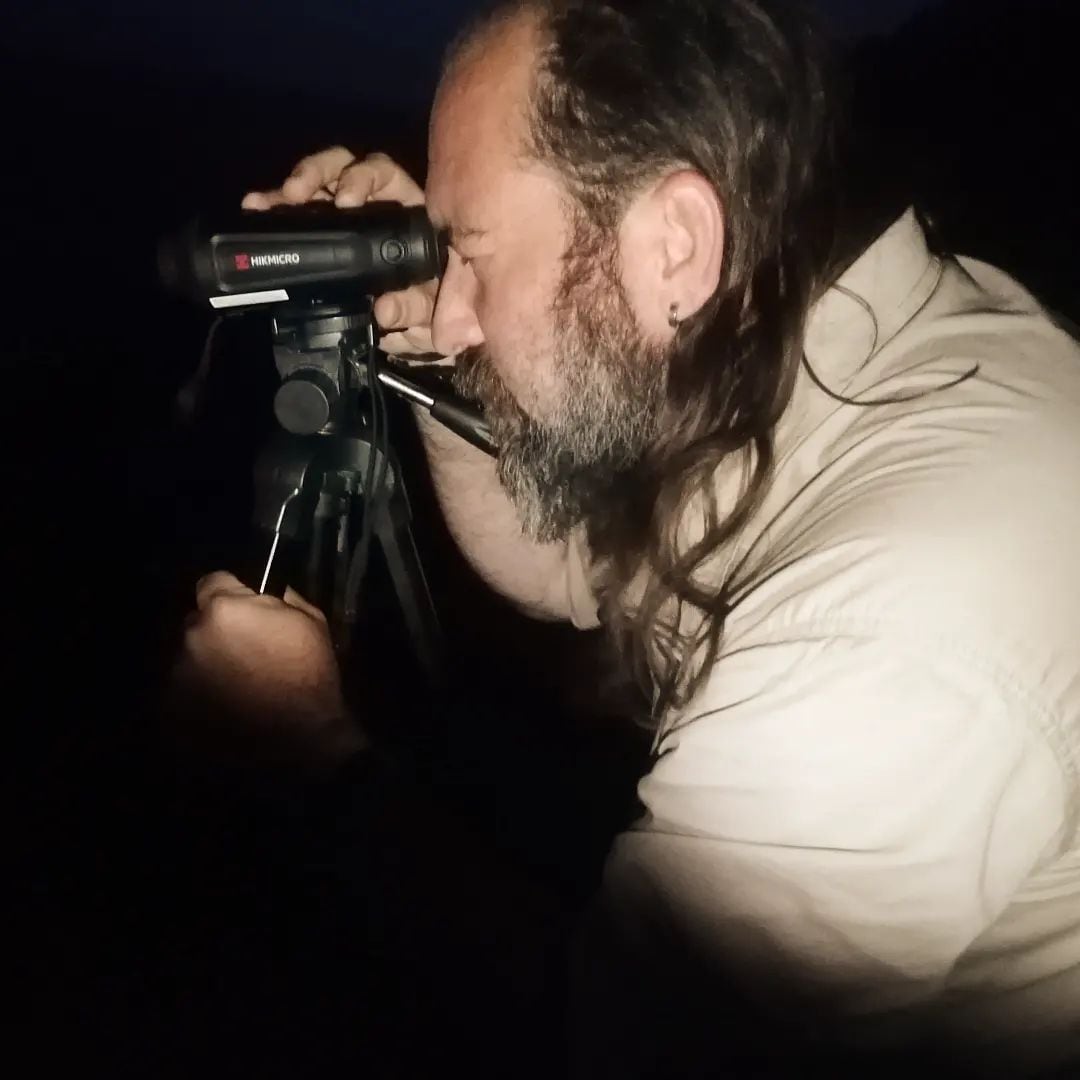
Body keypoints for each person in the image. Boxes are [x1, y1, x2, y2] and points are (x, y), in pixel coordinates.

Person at [176, 1, 1080, 1075]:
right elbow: (572, 575)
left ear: (676, 242)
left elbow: (603, 1036)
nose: (455, 307)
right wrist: (440, 353)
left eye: (472, 254)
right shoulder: (806, 352)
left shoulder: (887, 635)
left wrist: (311, 756)